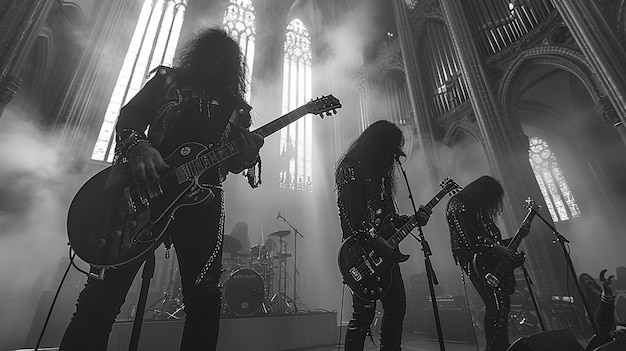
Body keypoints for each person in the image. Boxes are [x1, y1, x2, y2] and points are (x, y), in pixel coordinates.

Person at [60, 28, 264, 351]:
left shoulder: (238, 109)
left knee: (205, 300)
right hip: (143, 193)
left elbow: (234, 162)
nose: (214, 63)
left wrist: (248, 156)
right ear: (197, 55)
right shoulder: (168, 81)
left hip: (202, 203)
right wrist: (139, 148)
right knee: (102, 296)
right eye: (209, 55)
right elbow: (128, 117)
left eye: (221, 60)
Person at [335, 120, 432, 351]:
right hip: (359, 254)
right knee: (363, 315)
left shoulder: (380, 175)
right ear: (379, 145)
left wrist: (413, 219)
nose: (392, 157)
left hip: (385, 256)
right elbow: (351, 214)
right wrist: (372, 239)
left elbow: (389, 218)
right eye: (389, 149)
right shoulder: (350, 166)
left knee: (397, 307)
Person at [445, 175, 530, 351]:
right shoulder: (459, 203)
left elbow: (493, 240)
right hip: (474, 261)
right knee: (495, 304)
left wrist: (516, 238)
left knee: (502, 305)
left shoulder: (479, 209)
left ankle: (501, 345)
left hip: (489, 260)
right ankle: (494, 347)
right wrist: (497, 248)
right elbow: (470, 241)